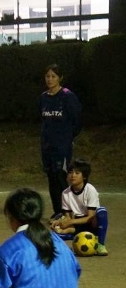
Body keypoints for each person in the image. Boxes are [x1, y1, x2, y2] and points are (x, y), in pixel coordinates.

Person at [39, 63, 82, 218]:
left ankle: (67, 212)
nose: (50, 79)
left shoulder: (67, 96)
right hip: (47, 146)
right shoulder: (44, 97)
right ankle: (58, 211)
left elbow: (77, 120)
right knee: (51, 177)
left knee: (60, 177)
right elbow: (43, 121)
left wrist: (68, 137)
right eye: (47, 76)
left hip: (62, 146)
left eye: (53, 76)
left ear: (60, 78)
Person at [50, 159, 108, 256]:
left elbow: (90, 217)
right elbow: (68, 216)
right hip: (77, 222)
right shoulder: (65, 193)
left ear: (84, 176)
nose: (73, 176)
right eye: (70, 172)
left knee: (101, 212)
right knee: (55, 231)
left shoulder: (90, 190)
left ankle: (100, 245)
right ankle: (71, 239)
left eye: (77, 173)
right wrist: (60, 222)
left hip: (91, 223)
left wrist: (70, 222)